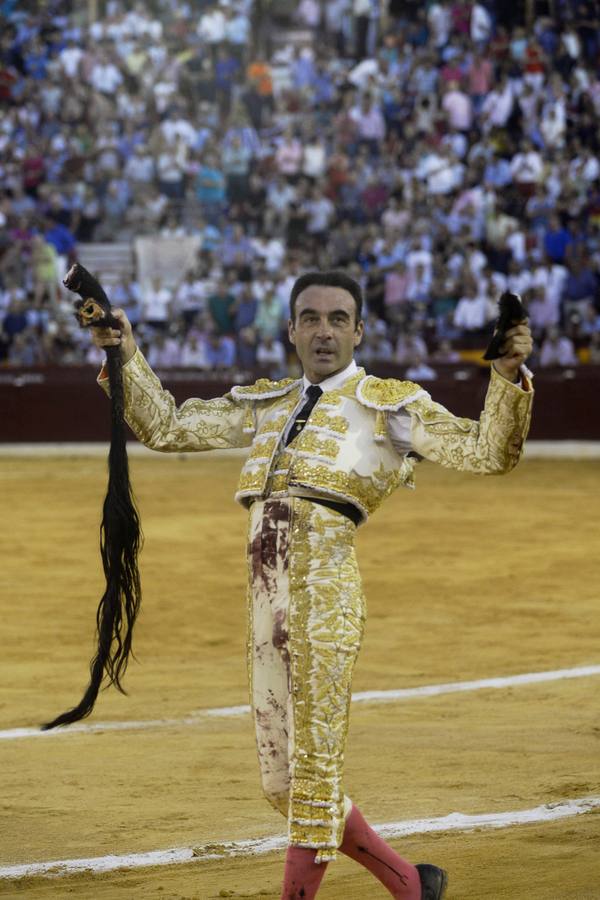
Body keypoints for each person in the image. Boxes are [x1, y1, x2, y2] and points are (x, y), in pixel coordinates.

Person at [90, 270, 534, 900]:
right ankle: (411, 885)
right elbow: (167, 426)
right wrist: (125, 350)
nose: (324, 331)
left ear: (359, 330)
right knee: (281, 785)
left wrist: (508, 375)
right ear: (291, 329)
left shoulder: (392, 406)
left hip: (325, 594)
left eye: (337, 319)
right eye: (311, 318)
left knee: (315, 776)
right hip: (262, 599)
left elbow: (490, 452)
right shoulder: (268, 402)